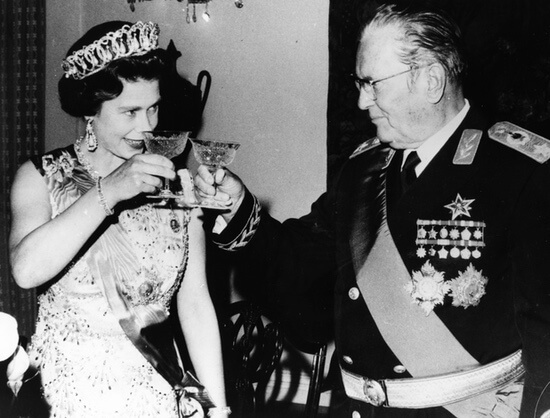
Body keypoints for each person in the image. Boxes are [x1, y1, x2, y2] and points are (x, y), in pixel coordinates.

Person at [194, 4, 550, 417]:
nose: (362, 101)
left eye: (373, 83)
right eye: (358, 83)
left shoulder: (520, 172)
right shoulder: (361, 170)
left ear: (432, 81)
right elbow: (306, 272)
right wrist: (240, 210)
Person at [9, 20, 230, 417]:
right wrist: (110, 190)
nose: (147, 126)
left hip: (159, 390)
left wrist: (218, 408)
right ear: (90, 112)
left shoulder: (175, 184)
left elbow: (195, 303)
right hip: (67, 394)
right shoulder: (42, 177)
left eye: (153, 107)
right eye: (129, 111)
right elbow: (25, 271)